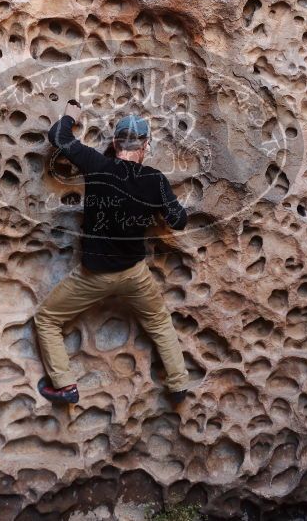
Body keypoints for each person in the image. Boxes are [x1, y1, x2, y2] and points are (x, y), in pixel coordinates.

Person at [34, 100, 190, 405]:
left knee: (47, 319)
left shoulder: (97, 165)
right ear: (146, 145)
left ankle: (65, 386)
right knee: (159, 324)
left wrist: (71, 115)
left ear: (115, 143)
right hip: (134, 275)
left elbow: (59, 138)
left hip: (93, 275)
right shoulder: (154, 181)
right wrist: (161, 211)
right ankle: (178, 385)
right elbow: (179, 221)